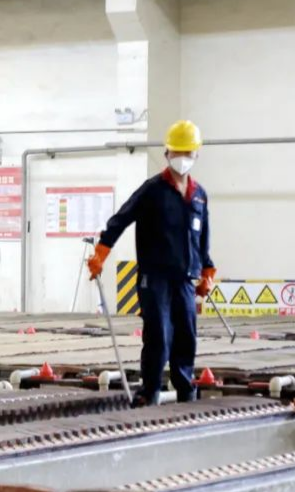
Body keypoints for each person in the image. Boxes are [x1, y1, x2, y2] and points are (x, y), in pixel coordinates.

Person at [87, 120, 215, 406]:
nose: (182, 158)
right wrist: (101, 253)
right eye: (177, 152)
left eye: (187, 152)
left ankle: (185, 393)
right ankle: (150, 392)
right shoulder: (152, 190)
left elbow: (202, 236)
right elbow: (120, 219)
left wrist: (207, 271)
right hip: (154, 278)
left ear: (196, 154)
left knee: (186, 336)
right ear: (167, 153)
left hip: (185, 279)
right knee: (159, 335)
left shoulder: (199, 196)